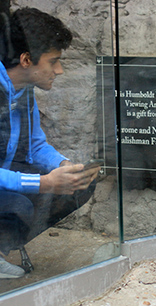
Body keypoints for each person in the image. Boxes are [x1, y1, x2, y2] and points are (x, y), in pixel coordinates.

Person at [0, 7, 100, 278]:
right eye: (53, 61)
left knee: (80, 184)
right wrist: (45, 183)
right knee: (20, 206)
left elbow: (35, 146)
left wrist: (66, 166)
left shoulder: (23, 90)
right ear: (25, 59)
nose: (60, 69)